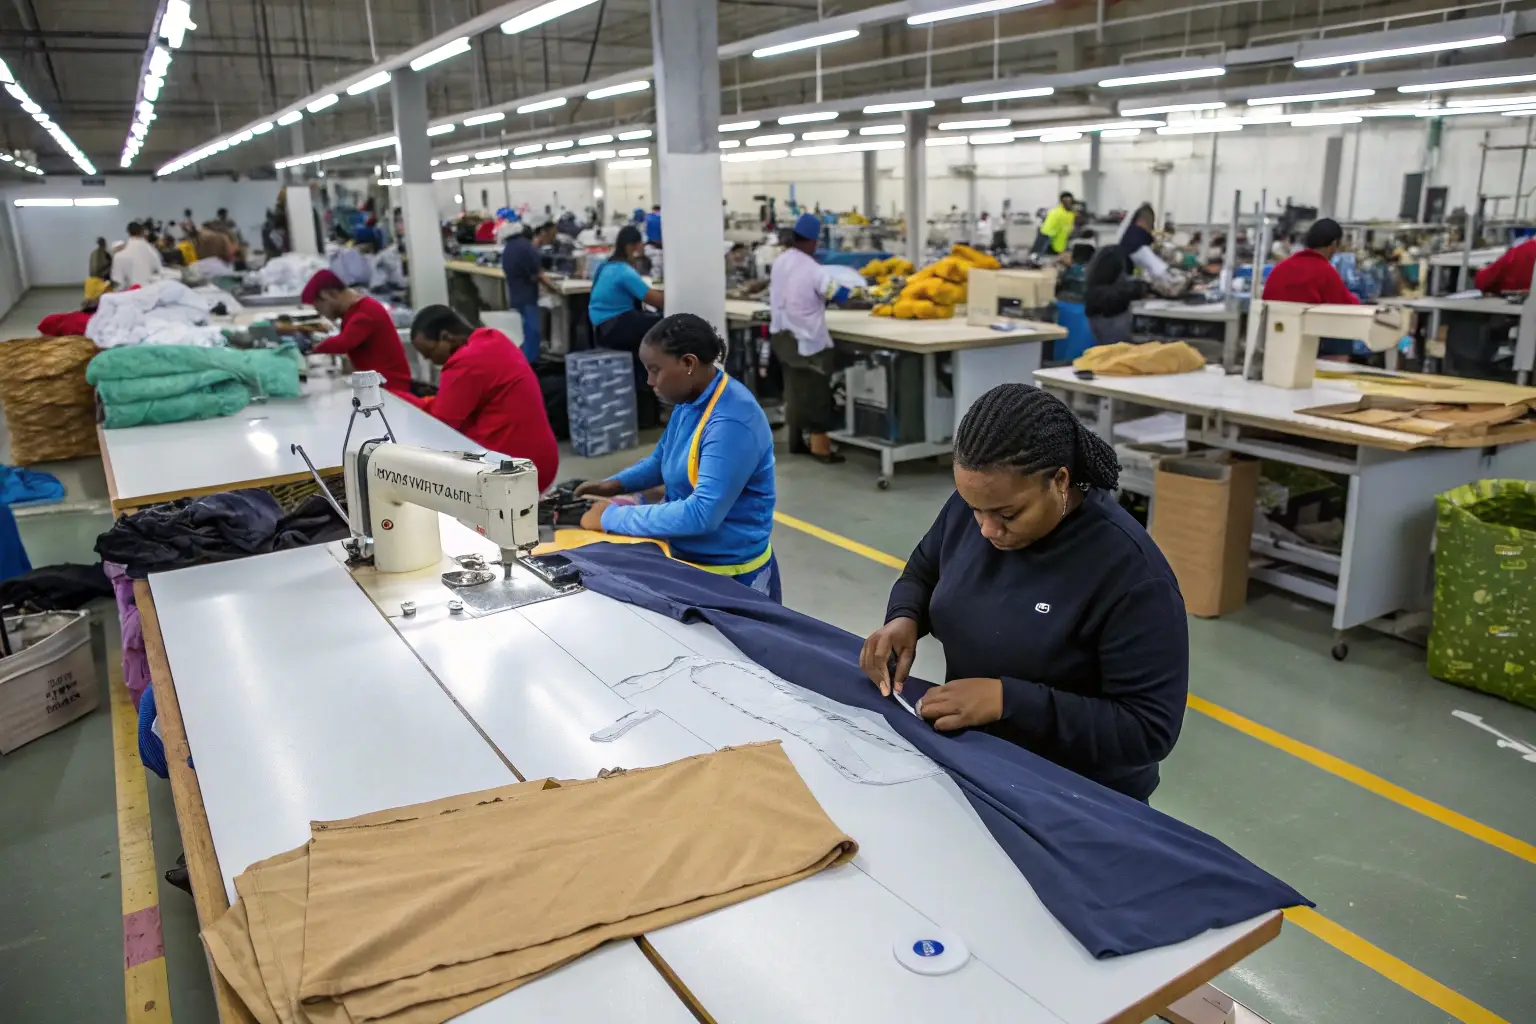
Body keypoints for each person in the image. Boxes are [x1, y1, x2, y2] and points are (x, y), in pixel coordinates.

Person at [859, 384, 1187, 800]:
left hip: (1076, 796)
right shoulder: (981, 502)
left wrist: (1005, 700)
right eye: (974, 509)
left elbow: (1148, 729)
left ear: (1060, 482)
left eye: (1008, 515)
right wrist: (904, 617)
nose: (986, 529)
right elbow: (925, 568)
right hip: (981, 761)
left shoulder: (1131, 574)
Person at [574, 314, 779, 600]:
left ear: (688, 364)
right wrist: (615, 486)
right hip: (688, 558)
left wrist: (612, 516)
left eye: (655, 370)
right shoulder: (692, 400)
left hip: (731, 577)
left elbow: (701, 515)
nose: (649, 381)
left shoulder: (731, 422)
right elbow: (662, 460)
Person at [408, 306, 559, 492]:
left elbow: (440, 426)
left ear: (447, 337)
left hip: (512, 473)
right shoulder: (493, 338)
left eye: (430, 353)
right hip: (541, 461)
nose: (430, 361)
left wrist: (405, 402)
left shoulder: (464, 363)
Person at [770, 212, 848, 463]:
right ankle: (820, 448)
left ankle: (795, 442)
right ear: (814, 241)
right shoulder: (815, 270)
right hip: (807, 340)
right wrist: (856, 290)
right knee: (816, 392)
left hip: (782, 337)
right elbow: (840, 295)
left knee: (794, 389)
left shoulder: (781, 261)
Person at [590, 224, 665, 426]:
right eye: (640, 245)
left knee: (649, 336)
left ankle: (649, 408)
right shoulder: (623, 271)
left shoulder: (606, 266)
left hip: (602, 328)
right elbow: (654, 300)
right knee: (665, 327)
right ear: (633, 246)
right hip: (616, 325)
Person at [300, 269, 414, 395]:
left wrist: (311, 349)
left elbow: (343, 342)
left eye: (320, 308)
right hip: (376, 385)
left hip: (392, 388)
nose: (323, 315)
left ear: (329, 294)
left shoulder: (366, 310)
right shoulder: (351, 314)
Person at [1262, 218, 1360, 358]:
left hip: (1276, 335)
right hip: (1305, 340)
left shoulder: (1281, 267)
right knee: (1342, 334)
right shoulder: (1325, 270)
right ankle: (1335, 369)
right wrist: (1357, 300)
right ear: (1333, 245)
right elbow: (1346, 305)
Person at [501, 221, 558, 364]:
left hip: (515, 296)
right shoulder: (525, 247)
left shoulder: (508, 248)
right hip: (528, 298)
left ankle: (521, 363)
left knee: (520, 334)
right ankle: (530, 365)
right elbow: (537, 273)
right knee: (533, 332)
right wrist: (554, 288)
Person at [110, 222, 162, 289]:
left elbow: (118, 281)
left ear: (128, 232)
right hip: (151, 292)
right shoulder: (152, 251)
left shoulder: (119, 256)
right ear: (142, 232)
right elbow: (159, 270)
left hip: (130, 294)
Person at [1035, 192, 1076, 256]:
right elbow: (1047, 232)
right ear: (1062, 201)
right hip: (1049, 244)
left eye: (1070, 201)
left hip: (1060, 245)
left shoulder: (1070, 214)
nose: (1069, 203)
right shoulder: (1056, 212)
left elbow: (1067, 230)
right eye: (1066, 200)